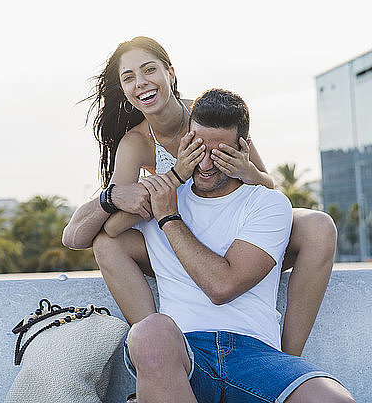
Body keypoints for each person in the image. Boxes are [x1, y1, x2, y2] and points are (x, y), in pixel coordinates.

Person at [62, 36, 337, 357]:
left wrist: (247, 172)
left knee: (318, 227)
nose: (141, 83)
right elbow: (114, 227)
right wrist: (173, 178)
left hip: (233, 230)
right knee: (107, 245)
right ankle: (159, 354)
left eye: (149, 70)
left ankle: (288, 360)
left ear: (171, 74)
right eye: (129, 77)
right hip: (180, 234)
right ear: (124, 90)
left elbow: (267, 188)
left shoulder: (210, 115)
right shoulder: (135, 143)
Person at [122, 89, 354, 403]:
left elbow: (221, 286)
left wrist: (168, 217)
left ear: (241, 149)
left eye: (219, 153)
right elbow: (79, 237)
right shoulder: (163, 191)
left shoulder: (268, 203)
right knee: (149, 332)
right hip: (186, 354)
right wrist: (120, 196)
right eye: (197, 148)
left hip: (256, 357)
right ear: (185, 142)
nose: (205, 163)